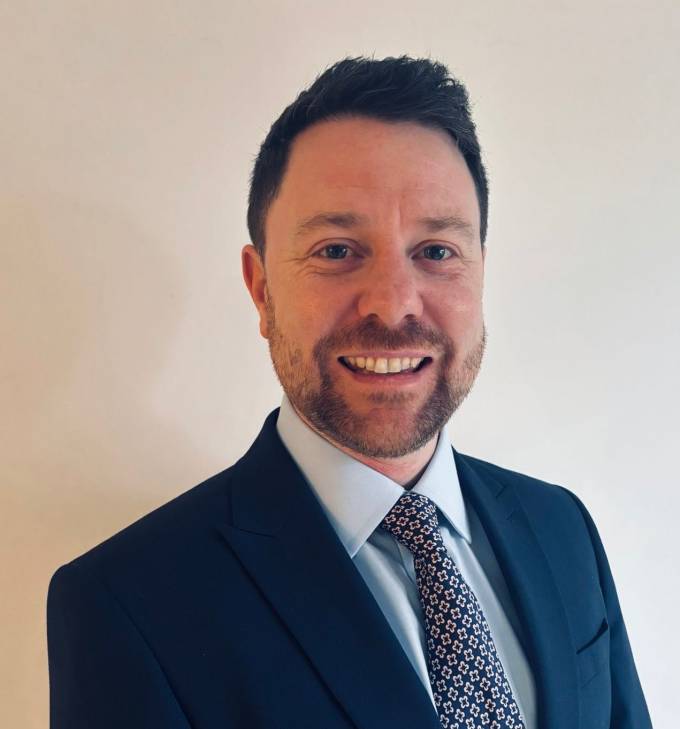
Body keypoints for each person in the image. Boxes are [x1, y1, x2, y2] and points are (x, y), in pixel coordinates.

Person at [47, 56, 652, 729]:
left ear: (480, 269)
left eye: (436, 250)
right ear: (262, 288)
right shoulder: (127, 603)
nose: (393, 305)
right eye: (336, 250)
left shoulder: (562, 527)